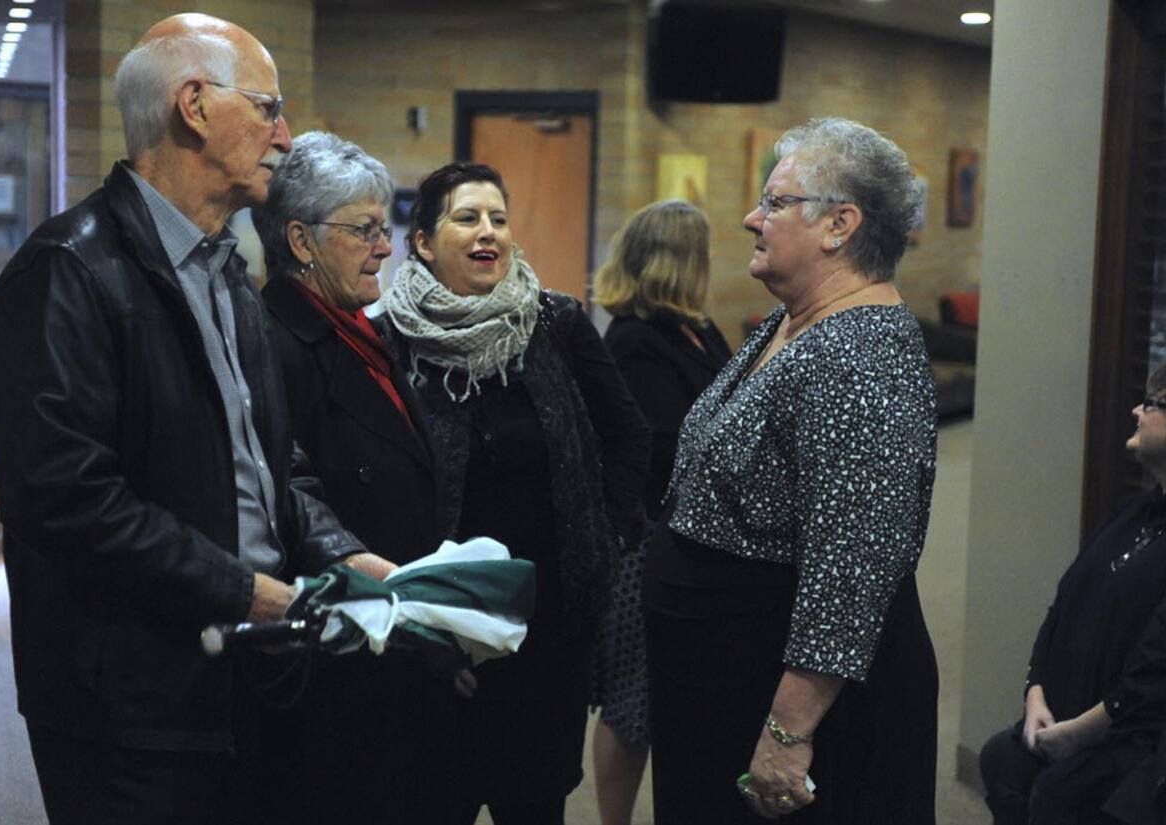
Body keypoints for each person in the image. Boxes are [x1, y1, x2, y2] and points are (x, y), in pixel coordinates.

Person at [0, 15, 392, 824]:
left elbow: (274, 465)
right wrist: (241, 588)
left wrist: (347, 554)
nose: (285, 132)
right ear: (194, 105)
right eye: (267, 106)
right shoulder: (65, 272)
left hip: (251, 671)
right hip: (131, 702)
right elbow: (68, 499)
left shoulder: (228, 271)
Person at [642, 117, 938, 824]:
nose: (752, 218)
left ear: (840, 224)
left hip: (791, 697)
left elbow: (854, 563)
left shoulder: (862, 357)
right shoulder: (795, 320)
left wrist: (788, 732)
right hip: (722, 677)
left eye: (775, 203)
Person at [378, 161, 650, 825]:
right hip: (444, 632)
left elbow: (628, 433)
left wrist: (606, 537)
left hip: (550, 626)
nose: (489, 232)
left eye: (498, 218)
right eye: (468, 217)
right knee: (434, 797)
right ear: (421, 242)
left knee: (534, 803)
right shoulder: (389, 337)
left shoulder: (554, 322)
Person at [251, 131, 452, 824]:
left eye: (383, 225)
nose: (385, 246)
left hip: (388, 628)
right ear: (301, 241)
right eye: (364, 230)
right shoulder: (272, 341)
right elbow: (281, 486)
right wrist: (355, 559)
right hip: (334, 645)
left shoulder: (362, 330)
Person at [591, 198, 731, 825]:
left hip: (692, 544)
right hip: (644, 546)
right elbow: (662, 448)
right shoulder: (635, 340)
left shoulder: (697, 328)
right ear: (678, 261)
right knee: (631, 702)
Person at [979, 366, 1166, 825]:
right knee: (1002, 759)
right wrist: (1035, 694)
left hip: (1132, 740)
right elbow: (1063, 604)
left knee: (1058, 794)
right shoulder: (1136, 510)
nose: (1136, 411)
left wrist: (1077, 736)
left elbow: (1154, 675)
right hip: (1063, 716)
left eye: (1153, 404)